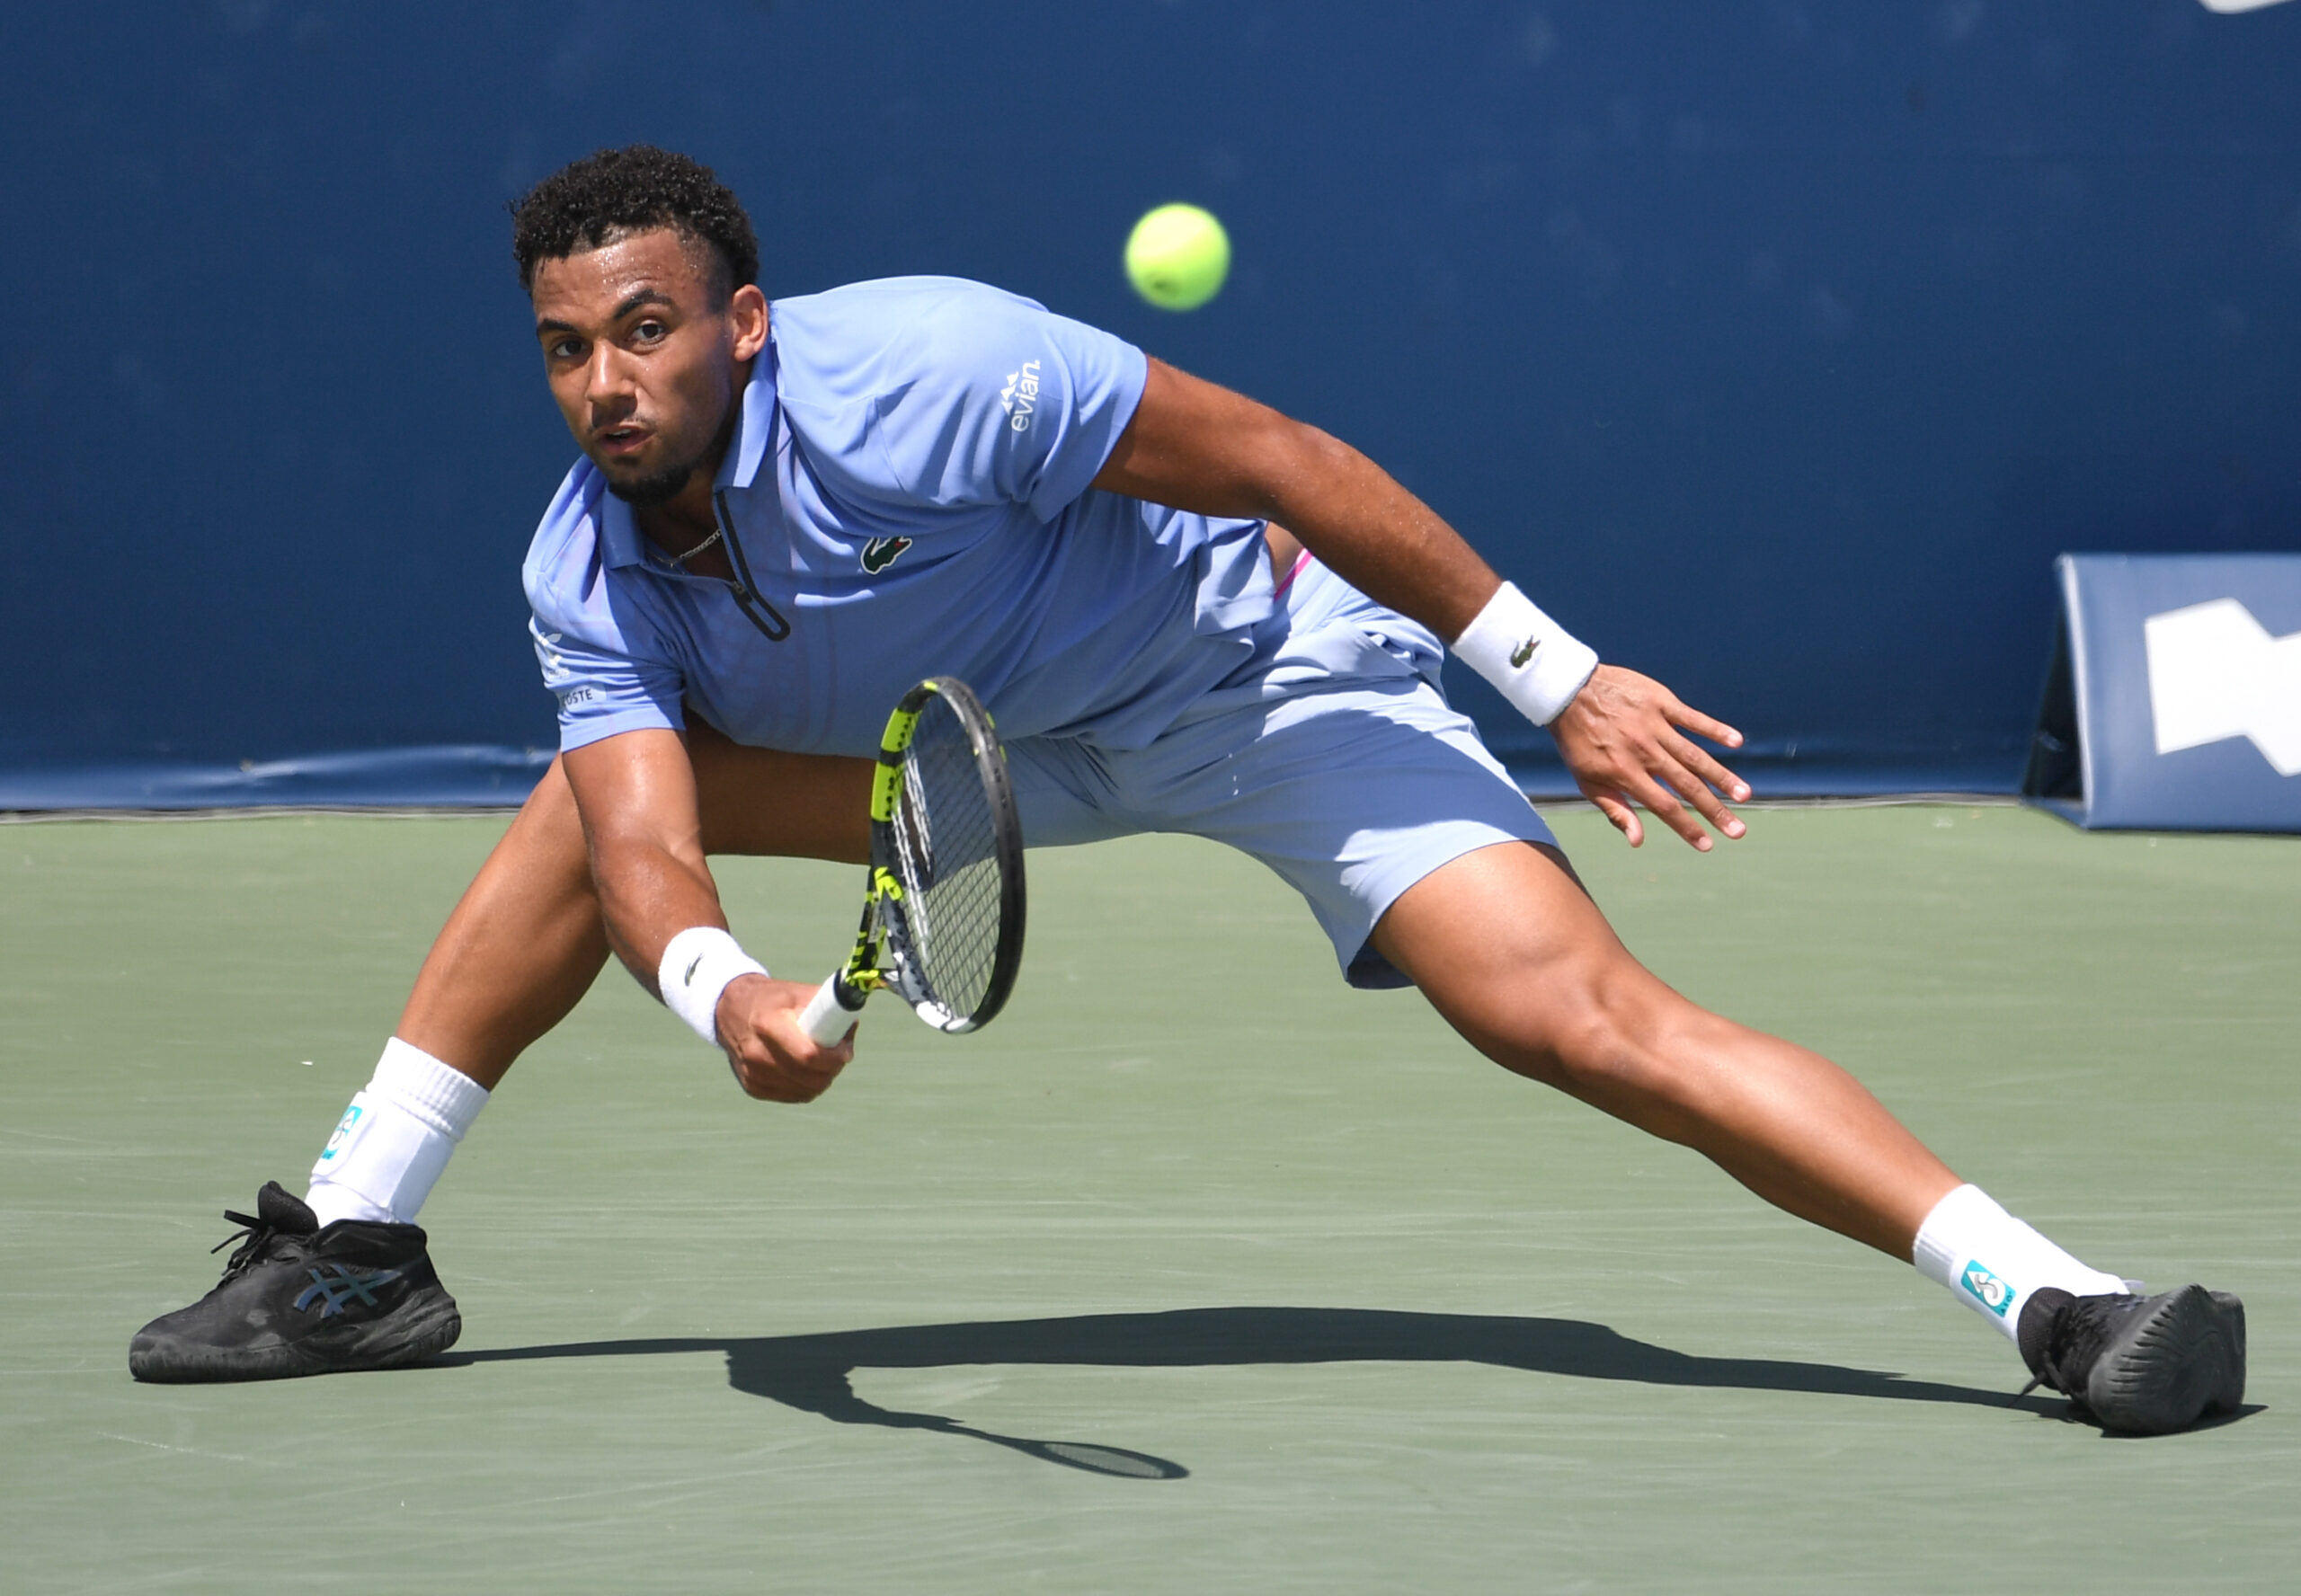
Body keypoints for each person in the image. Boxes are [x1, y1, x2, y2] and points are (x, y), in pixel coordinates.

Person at [129, 146, 2243, 1435]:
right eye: (566, 347)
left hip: (1252, 676)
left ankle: (2055, 1302)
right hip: (955, 763)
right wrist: (726, 1003)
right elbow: (641, 842)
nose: (605, 381)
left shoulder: (933, 369)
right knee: (569, 818)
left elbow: (1280, 466)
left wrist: (1558, 678)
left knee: (1568, 1018)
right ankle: (358, 1251)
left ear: (743, 328)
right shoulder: (577, 566)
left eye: (647, 330)